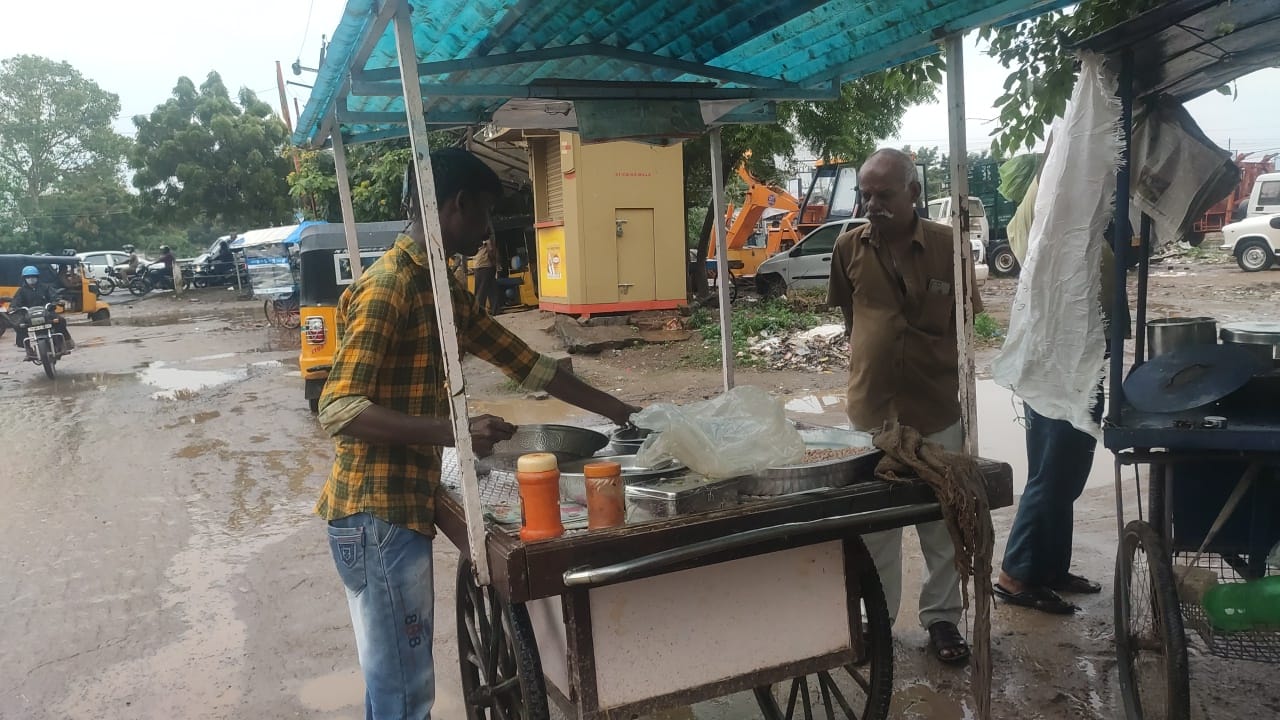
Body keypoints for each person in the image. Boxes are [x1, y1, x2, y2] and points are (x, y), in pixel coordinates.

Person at [316, 147, 638, 720]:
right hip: (374, 516)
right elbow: (338, 407)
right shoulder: (390, 285)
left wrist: (621, 411)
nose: (489, 231)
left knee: (392, 686)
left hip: (392, 513)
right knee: (405, 694)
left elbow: (527, 364)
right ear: (457, 205)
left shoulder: (439, 288)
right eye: (485, 213)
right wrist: (454, 430)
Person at [827, 148, 982, 665]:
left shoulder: (948, 247)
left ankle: (942, 620)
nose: (872, 204)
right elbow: (852, 315)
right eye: (865, 194)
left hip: (936, 409)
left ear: (913, 193)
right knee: (876, 529)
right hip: (871, 414)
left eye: (883, 195)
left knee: (943, 522)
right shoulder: (847, 246)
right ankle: (878, 622)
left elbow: (967, 319)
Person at [994, 173, 1126, 614]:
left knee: (1064, 476)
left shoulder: (1075, 223)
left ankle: (1049, 567)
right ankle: (1015, 574)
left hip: (1078, 365)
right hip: (1062, 369)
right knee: (1052, 475)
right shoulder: (1052, 214)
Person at [10, 265, 74, 350]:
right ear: (24, 278)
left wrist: (57, 302)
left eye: (33, 276)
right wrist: (14, 308)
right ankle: (26, 347)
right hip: (29, 316)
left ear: (37, 277)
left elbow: (55, 297)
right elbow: (15, 303)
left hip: (47, 313)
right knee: (18, 325)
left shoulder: (46, 287)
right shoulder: (21, 291)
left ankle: (65, 341)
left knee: (61, 321)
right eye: (28, 277)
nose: (31, 279)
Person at [470, 234, 502, 315]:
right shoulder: (485, 236)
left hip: (477, 265)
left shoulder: (473, 237)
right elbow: (490, 250)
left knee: (491, 288)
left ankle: (494, 310)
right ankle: (479, 312)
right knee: (483, 290)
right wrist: (495, 262)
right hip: (486, 265)